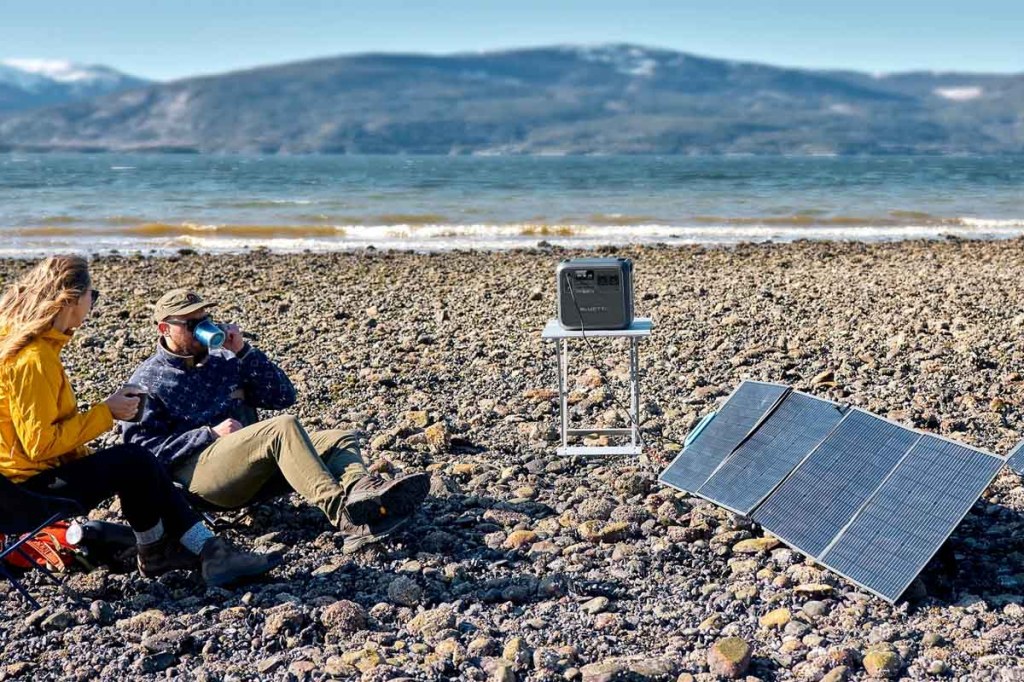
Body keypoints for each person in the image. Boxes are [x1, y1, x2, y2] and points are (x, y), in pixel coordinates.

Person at [0, 256, 280, 587]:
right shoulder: (34, 359)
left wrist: (92, 453)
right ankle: (181, 551)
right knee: (134, 461)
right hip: (22, 497)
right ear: (72, 300)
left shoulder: (21, 345)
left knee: (135, 462)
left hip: (13, 488)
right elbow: (39, 444)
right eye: (94, 295)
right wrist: (109, 412)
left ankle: (183, 550)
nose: (94, 303)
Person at [123, 288, 429, 553]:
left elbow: (283, 395)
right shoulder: (147, 381)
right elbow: (139, 455)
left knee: (339, 437)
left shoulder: (225, 361)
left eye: (206, 320)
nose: (203, 328)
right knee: (282, 427)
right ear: (165, 328)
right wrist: (207, 435)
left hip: (248, 465)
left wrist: (243, 352)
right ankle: (347, 519)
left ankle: (364, 494)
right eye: (192, 324)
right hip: (200, 478)